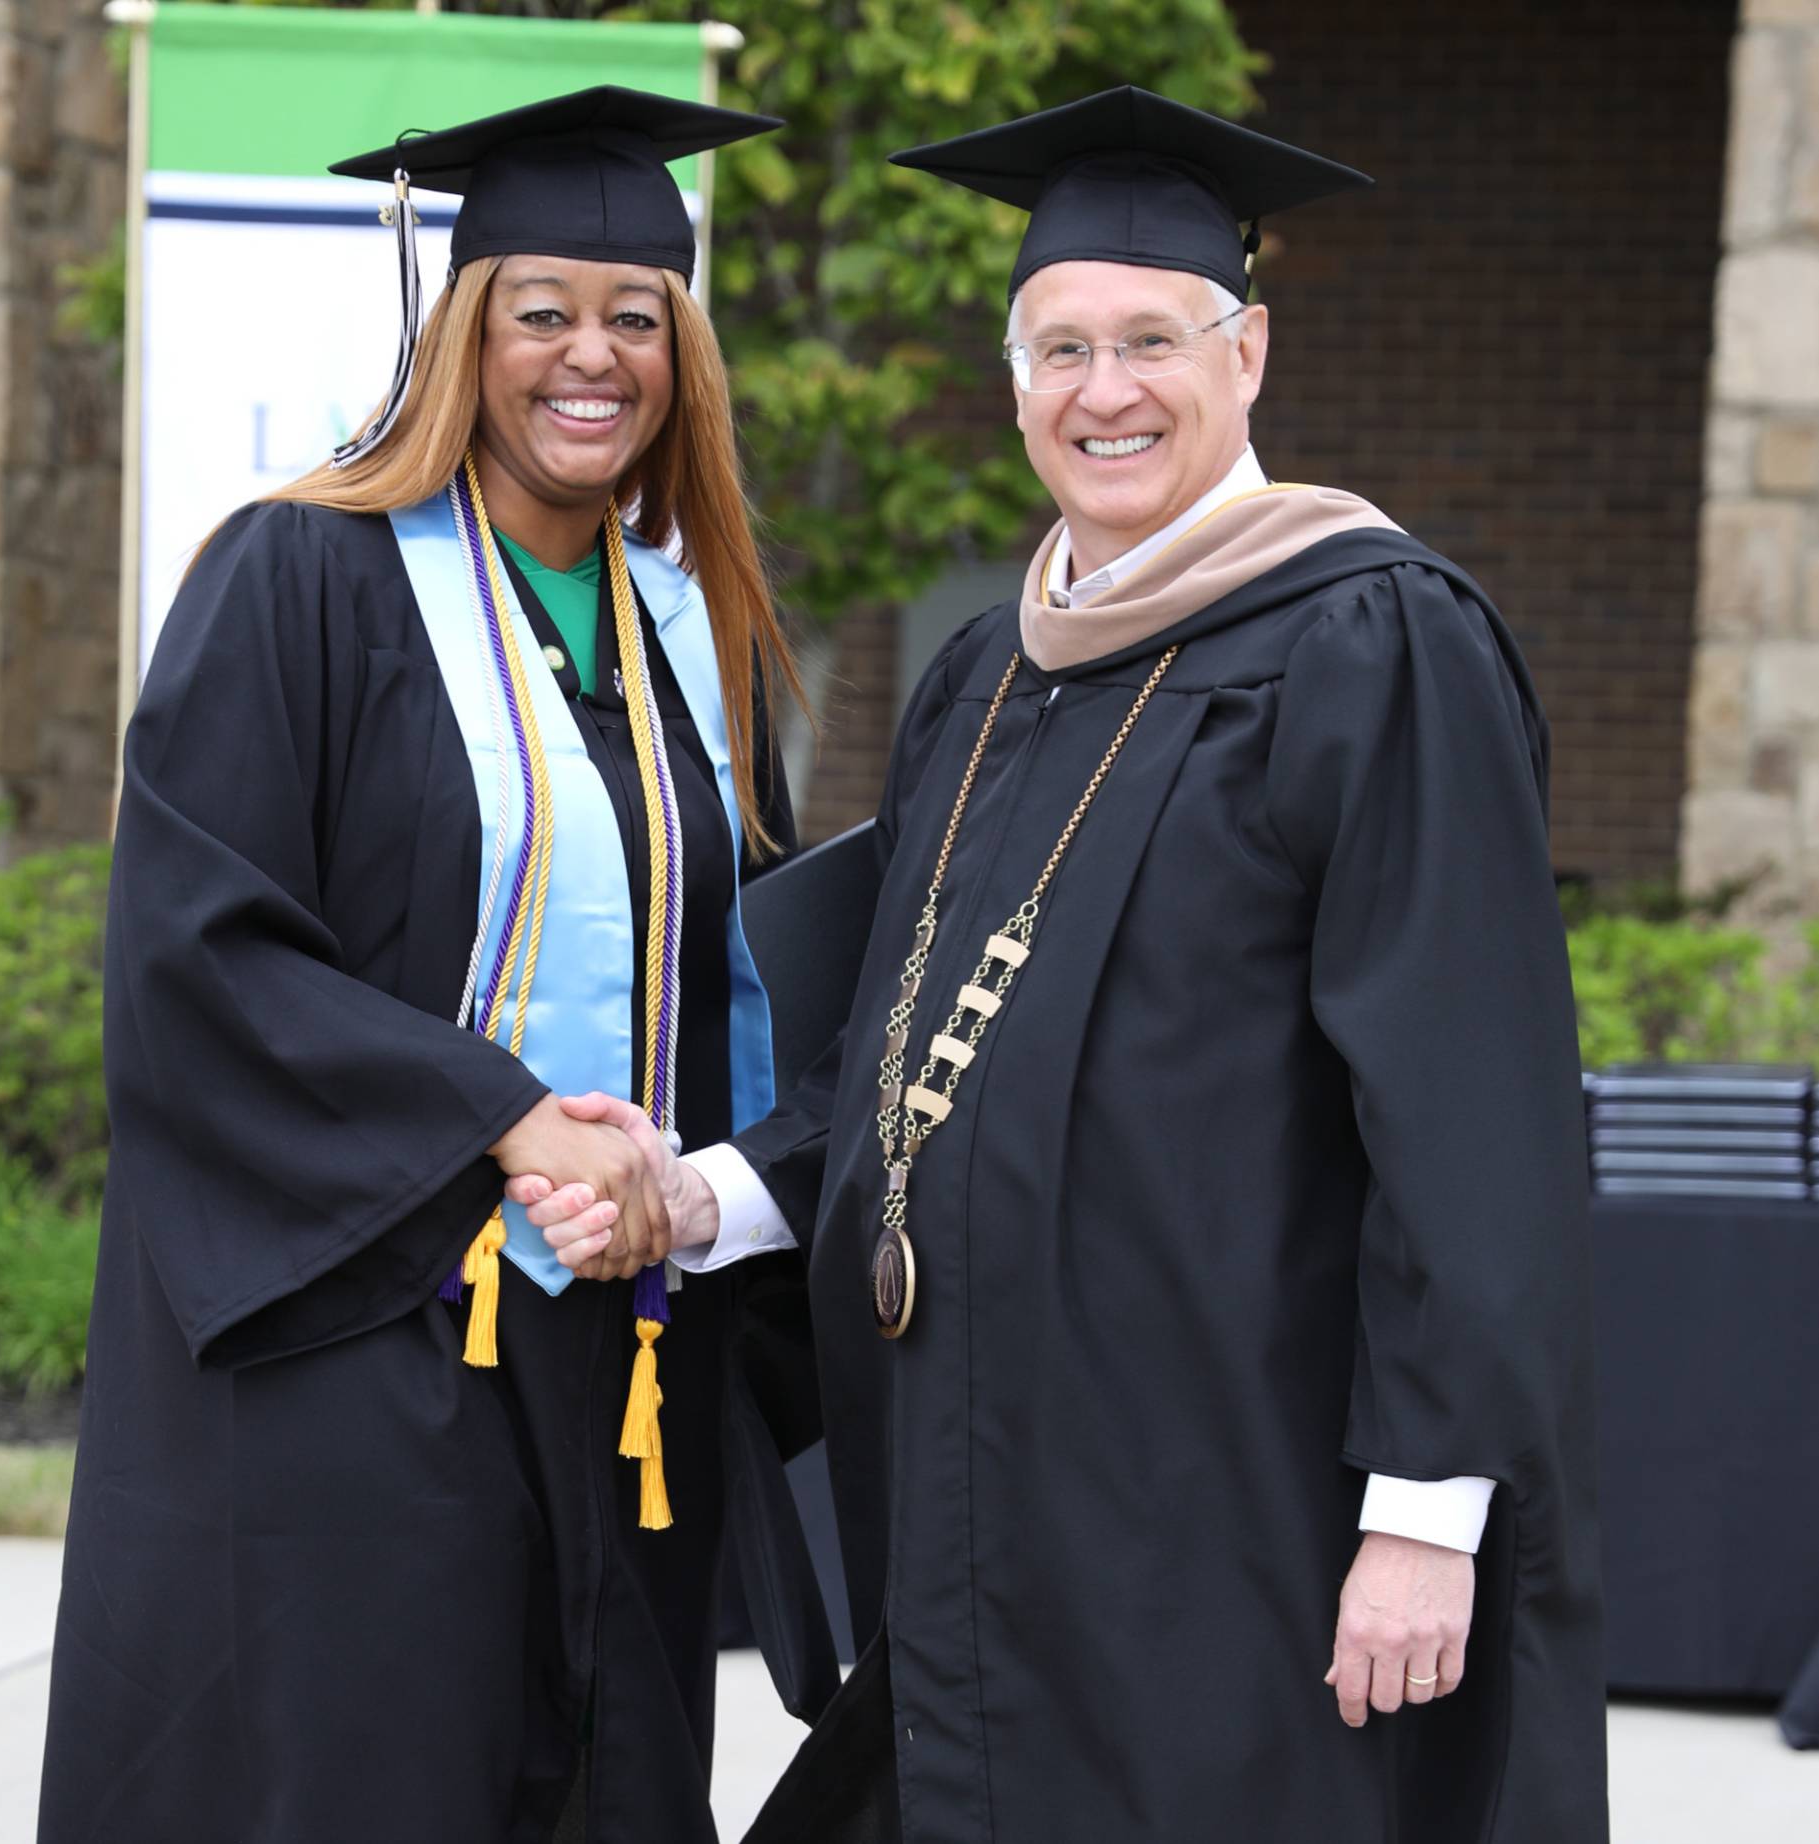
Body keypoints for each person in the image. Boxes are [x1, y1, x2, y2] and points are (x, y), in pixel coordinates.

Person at [531, 86, 1608, 1844]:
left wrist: (1425, 1512)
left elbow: (1467, 1109)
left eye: (1148, 342)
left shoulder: (1367, 642)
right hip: (986, 1506)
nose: (1101, 391)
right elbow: (909, 1057)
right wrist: (699, 1193)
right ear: (1012, 375)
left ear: (1246, 353)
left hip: (1243, 1512)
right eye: (1057, 349)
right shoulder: (990, 673)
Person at [37, 87, 837, 1844]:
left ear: (685, 358)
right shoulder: (297, 578)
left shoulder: (695, 634)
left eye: (637, 318)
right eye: (539, 309)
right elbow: (196, 949)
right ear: (460, 328)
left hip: (627, 1362)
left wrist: (685, 1193)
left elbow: (752, 984)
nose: (590, 356)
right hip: (374, 1352)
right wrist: (507, 1120)